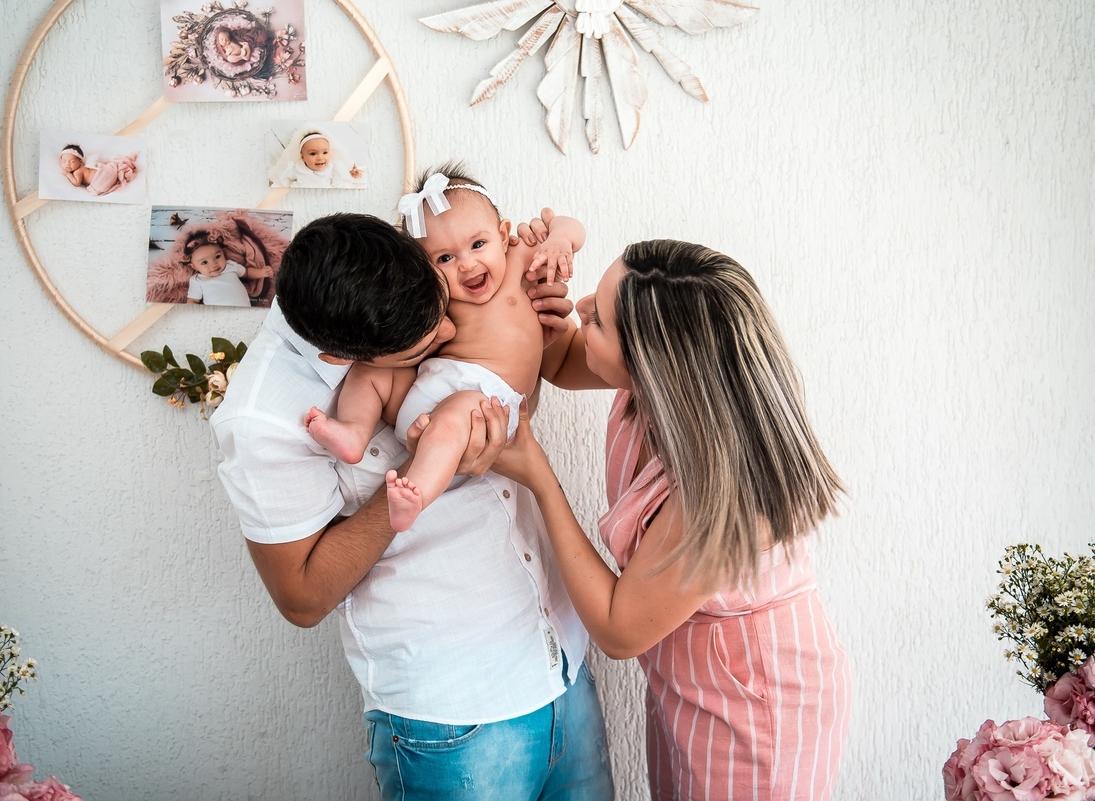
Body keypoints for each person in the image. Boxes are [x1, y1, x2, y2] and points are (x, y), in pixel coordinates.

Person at [211, 212, 614, 800]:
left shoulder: (398, 269)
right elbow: (301, 597)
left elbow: (524, 368)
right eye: (428, 341)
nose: (447, 332)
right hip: (454, 716)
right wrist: (426, 470)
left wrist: (536, 329)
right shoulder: (263, 420)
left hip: (559, 661)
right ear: (347, 357)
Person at [493, 238, 852, 801]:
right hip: (687, 674)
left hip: (756, 694)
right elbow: (562, 358)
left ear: (653, 362)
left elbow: (619, 629)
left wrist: (537, 474)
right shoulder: (659, 393)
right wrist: (528, 295)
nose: (582, 308)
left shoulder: (729, 485)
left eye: (600, 321)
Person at [304, 167, 581, 531]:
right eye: (444, 259)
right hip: (425, 388)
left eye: (478, 245)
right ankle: (354, 430)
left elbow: (569, 225)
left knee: (452, 418)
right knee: (370, 371)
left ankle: (416, 494)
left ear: (503, 235)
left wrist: (559, 238)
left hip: (483, 401)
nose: (466, 264)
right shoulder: (433, 295)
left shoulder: (524, 258)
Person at [183, 231, 272, 307]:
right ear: (194, 266)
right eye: (204, 262)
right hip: (218, 316)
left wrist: (261, 272)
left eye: (217, 256)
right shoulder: (197, 280)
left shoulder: (230, 266)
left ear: (223, 253)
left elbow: (247, 272)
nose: (214, 265)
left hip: (245, 311)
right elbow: (193, 301)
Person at [268, 130, 364, 189]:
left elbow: (343, 184)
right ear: (303, 157)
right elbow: (282, 183)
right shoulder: (296, 169)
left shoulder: (333, 169)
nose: (320, 158)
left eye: (325, 153)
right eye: (313, 153)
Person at [58, 143, 139, 197]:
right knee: (116, 164)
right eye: (64, 161)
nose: (67, 164)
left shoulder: (77, 172)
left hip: (101, 181)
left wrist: (67, 174)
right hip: (110, 172)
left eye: (72, 162)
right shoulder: (84, 167)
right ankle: (130, 156)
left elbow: (76, 183)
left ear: (80, 162)